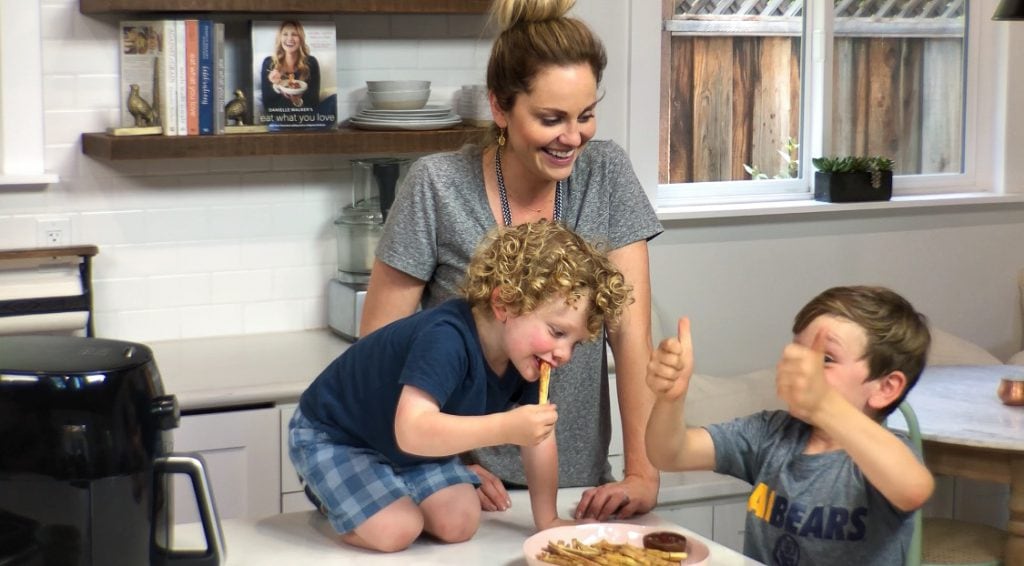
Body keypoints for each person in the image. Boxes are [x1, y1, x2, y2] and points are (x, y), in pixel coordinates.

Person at [360, 0, 663, 522]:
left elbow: (631, 337)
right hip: (459, 488)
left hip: (578, 488)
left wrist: (642, 471)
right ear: (500, 107)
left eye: (585, 115)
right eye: (551, 119)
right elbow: (377, 353)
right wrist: (447, 462)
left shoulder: (607, 173)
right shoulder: (437, 186)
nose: (573, 138)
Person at [290, 221, 633, 553]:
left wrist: (548, 520)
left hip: (405, 450)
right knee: (397, 530)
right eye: (558, 333)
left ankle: (386, 487)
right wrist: (506, 428)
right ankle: (333, 502)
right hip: (336, 435)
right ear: (504, 304)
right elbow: (411, 430)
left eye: (575, 343)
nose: (563, 353)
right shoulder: (445, 339)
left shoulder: (527, 356)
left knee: (460, 522)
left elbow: (539, 441)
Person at [645, 286, 936, 565]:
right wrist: (671, 399)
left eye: (825, 358)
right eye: (798, 353)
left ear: (886, 387)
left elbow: (913, 488)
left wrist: (825, 405)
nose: (802, 368)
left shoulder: (883, 456)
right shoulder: (771, 434)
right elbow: (670, 453)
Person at [259, 20, 321, 112]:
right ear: (280, 38)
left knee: (333, 100)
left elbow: (314, 103)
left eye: (294, 34)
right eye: (285, 34)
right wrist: (276, 87)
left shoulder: (311, 63)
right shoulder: (269, 63)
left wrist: (297, 101)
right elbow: (267, 105)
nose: (289, 38)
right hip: (279, 119)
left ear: (301, 38)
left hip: (306, 118)